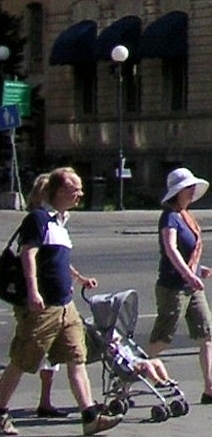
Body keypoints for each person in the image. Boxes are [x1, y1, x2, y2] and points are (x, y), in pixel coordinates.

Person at [0, 167, 118, 436]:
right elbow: (28, 255)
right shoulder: (38, 218)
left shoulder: (60, 222)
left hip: (67, 307)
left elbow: (58, 260)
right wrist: (33, 292)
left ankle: (90, 416)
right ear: (59, 190)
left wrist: (79, 278)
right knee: (22, 361)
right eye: (75, 188)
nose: (81, 193)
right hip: (44, 308)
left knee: (77, 358)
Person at [145, 167, 212, 406]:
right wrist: (188, 274)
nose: (193, 192)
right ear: (179, 191)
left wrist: (198, 269)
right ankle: (132, 373)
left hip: (192, 286)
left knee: (206, 334)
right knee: (162, 338)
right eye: (189, 188)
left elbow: (187, 250)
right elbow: (171, 249)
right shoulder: (169, 216)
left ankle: (210, 388)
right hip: (173, 286)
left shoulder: (186, 215)